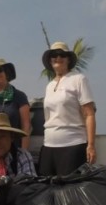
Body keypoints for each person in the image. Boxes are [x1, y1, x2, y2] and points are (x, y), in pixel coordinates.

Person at [39, 41, 97, 177]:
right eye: (54, 55)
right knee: (47, 190)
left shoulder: (78, 79)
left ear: (68, 59)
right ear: (49, 59)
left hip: (73, 145)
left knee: (70, 191)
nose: (58, 58)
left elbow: (89, 114)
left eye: (62, 55)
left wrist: (91, 145)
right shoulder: (49, 85)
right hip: (48, 146)